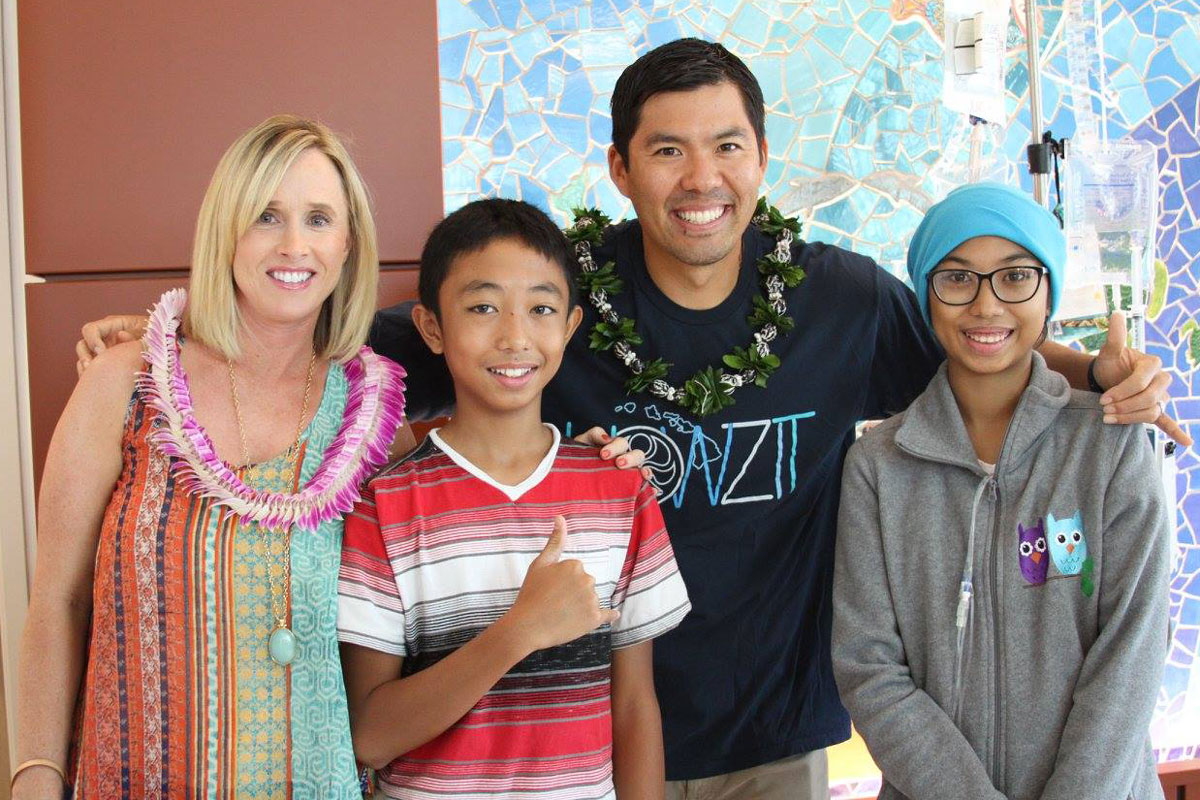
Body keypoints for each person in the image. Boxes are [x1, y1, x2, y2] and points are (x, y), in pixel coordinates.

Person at [74, 39, 1186, 799]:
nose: (700, 177)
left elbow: (977, 337)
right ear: (618, 167)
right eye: (666, 149)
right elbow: (342, 338)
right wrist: (179, 337)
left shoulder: (845, 298)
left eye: (726, 146)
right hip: (584, 744)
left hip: (776, 742)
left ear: (762, 158)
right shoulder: (553, 293)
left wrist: (1100, 370)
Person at [12, 115, 410, 798]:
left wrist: (579, 453)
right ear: (225, 231)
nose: (294, 244)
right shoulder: (124, 384)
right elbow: (58, 600)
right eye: (265, 216)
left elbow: (481, 469)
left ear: (349, 246)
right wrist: (34, 777)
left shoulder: (369, 421)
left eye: (319, 219)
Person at [336, 198, 690, 799]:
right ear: (431, 328)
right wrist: (519, 630)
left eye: (541, 309)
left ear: (569, 327)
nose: (514, 335)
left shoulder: (619, 488)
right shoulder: (385, 503)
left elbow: (634, 705)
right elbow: (370, 735)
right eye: (482, 307)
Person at [831, 182, 1170, 798]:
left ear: (1049, 297)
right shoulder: (877, 468)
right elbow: (870, 669)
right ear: (928, 296)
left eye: (1015, 277)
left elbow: (1134, 649)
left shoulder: (1112, 445)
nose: (986, 306)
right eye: (957, 278)